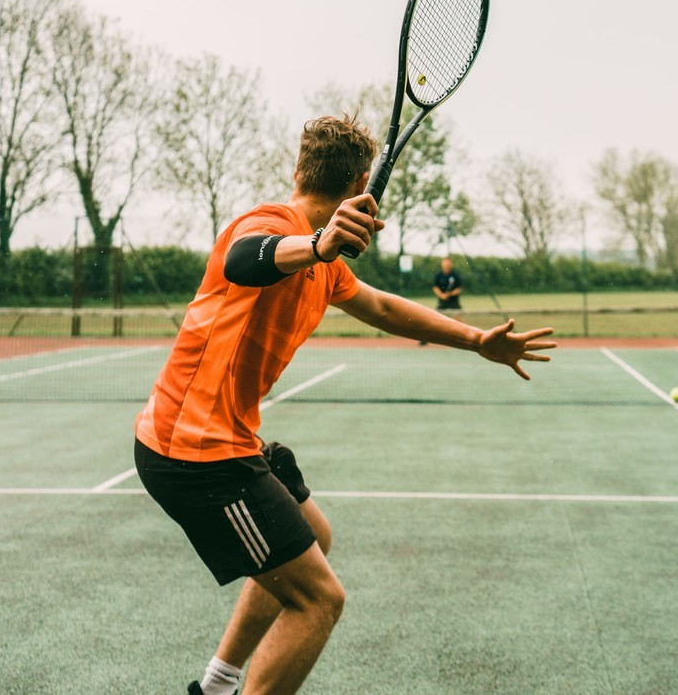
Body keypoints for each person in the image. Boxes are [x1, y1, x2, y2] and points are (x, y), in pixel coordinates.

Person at [133, 114, 556, 695]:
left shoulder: (324, 268)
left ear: (300, 169)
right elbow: (243, 258)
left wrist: (477, 340)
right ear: (363, 183)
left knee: (315, 537)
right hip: (195, 456)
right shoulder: (270, 226)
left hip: (220, 438)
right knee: (319, 601)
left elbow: (382, 309)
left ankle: (216, 685)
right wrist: (316, 242)